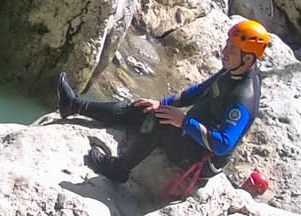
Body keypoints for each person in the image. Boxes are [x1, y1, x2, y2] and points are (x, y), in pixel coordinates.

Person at [55, 20, 270, 191]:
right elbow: (197, 92)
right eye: (227, 45)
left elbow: (223, 144)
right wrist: (161, 103)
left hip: (201, 159)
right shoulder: (232, 71)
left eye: (232, 50)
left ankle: (118, 170)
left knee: (159, 120)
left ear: (249, 58)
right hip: (193, 136)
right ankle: (74, 105)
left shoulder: (243, 97)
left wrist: (184, 122)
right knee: (147, 108)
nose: (224, 52)